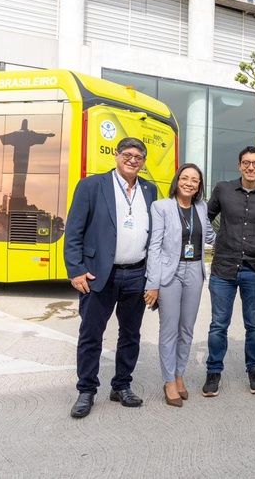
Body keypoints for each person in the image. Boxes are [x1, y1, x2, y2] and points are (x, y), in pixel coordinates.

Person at [64, 137, 157, 418]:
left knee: (130, 334)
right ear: (116, 155)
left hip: (136, 274)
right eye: (127, 155)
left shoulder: (150, 189)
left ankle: (121, 385)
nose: (132, 160)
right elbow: (74, 231)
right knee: (91, 334)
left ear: (143, 162)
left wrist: (154, 277)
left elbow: (154, 235)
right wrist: (76, 269)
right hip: (99, 274)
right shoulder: (92, 185)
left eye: (138, 157)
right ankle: (86, 390)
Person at [203, 146, 255, 397]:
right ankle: (214, 371)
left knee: (254, 324)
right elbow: (203, 215)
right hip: (223, 268)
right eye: (246, 163)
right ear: (239, 165)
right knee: (218, 324)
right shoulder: (223, 189)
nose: (251, 167)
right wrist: (214, 238)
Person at [144, 163, 215, 407]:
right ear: (177, 180)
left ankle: (179, 374)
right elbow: (154, 246)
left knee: (187, 328)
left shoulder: (201, 207)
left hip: (195, 269)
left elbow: (209, 236)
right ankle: (168, 381)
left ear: (199, 186)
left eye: (194, 180)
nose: (189, 183)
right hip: (169, 273)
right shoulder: (161, 206)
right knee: (169, 329)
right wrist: (152, 283)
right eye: (185, 178)